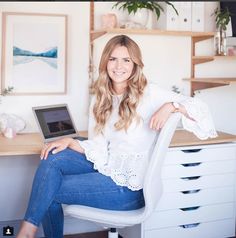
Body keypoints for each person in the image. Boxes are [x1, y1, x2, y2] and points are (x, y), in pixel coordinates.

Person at [17, 35, 217, 238]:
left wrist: (171, 106)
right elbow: (100, 146)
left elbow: (201, 108)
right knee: (52, 156)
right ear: (105, 62)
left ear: (135, 64)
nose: (119, 66)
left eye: (126, 60)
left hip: (129, 188)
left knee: (48, 191)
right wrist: (71, 142)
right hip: (109, 167)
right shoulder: (101, 96)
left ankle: (26, 232)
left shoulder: (150, 93)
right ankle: (28, 231)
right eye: (113, 59)